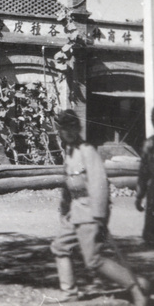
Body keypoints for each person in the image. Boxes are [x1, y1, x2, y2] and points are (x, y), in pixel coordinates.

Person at [50, 109, 149, 306]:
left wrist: (99, 217)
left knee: (93, 260)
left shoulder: (87, 151)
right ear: (59, 131)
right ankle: (69, 293)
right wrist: (64, 210)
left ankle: (136, 288)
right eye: (63, 129)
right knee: (59, 246)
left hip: (89, 212)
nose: (67, 132)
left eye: (71, 127)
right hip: (75, 212)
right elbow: (68, 186)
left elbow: (99, 185)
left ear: (78, 128)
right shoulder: (69, 152)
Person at [135, 107, 154, 245]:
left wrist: (139, 197)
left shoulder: (149, 144)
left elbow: (143, 173)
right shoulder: (149, 145)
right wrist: (139, 195)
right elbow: (143, 172)